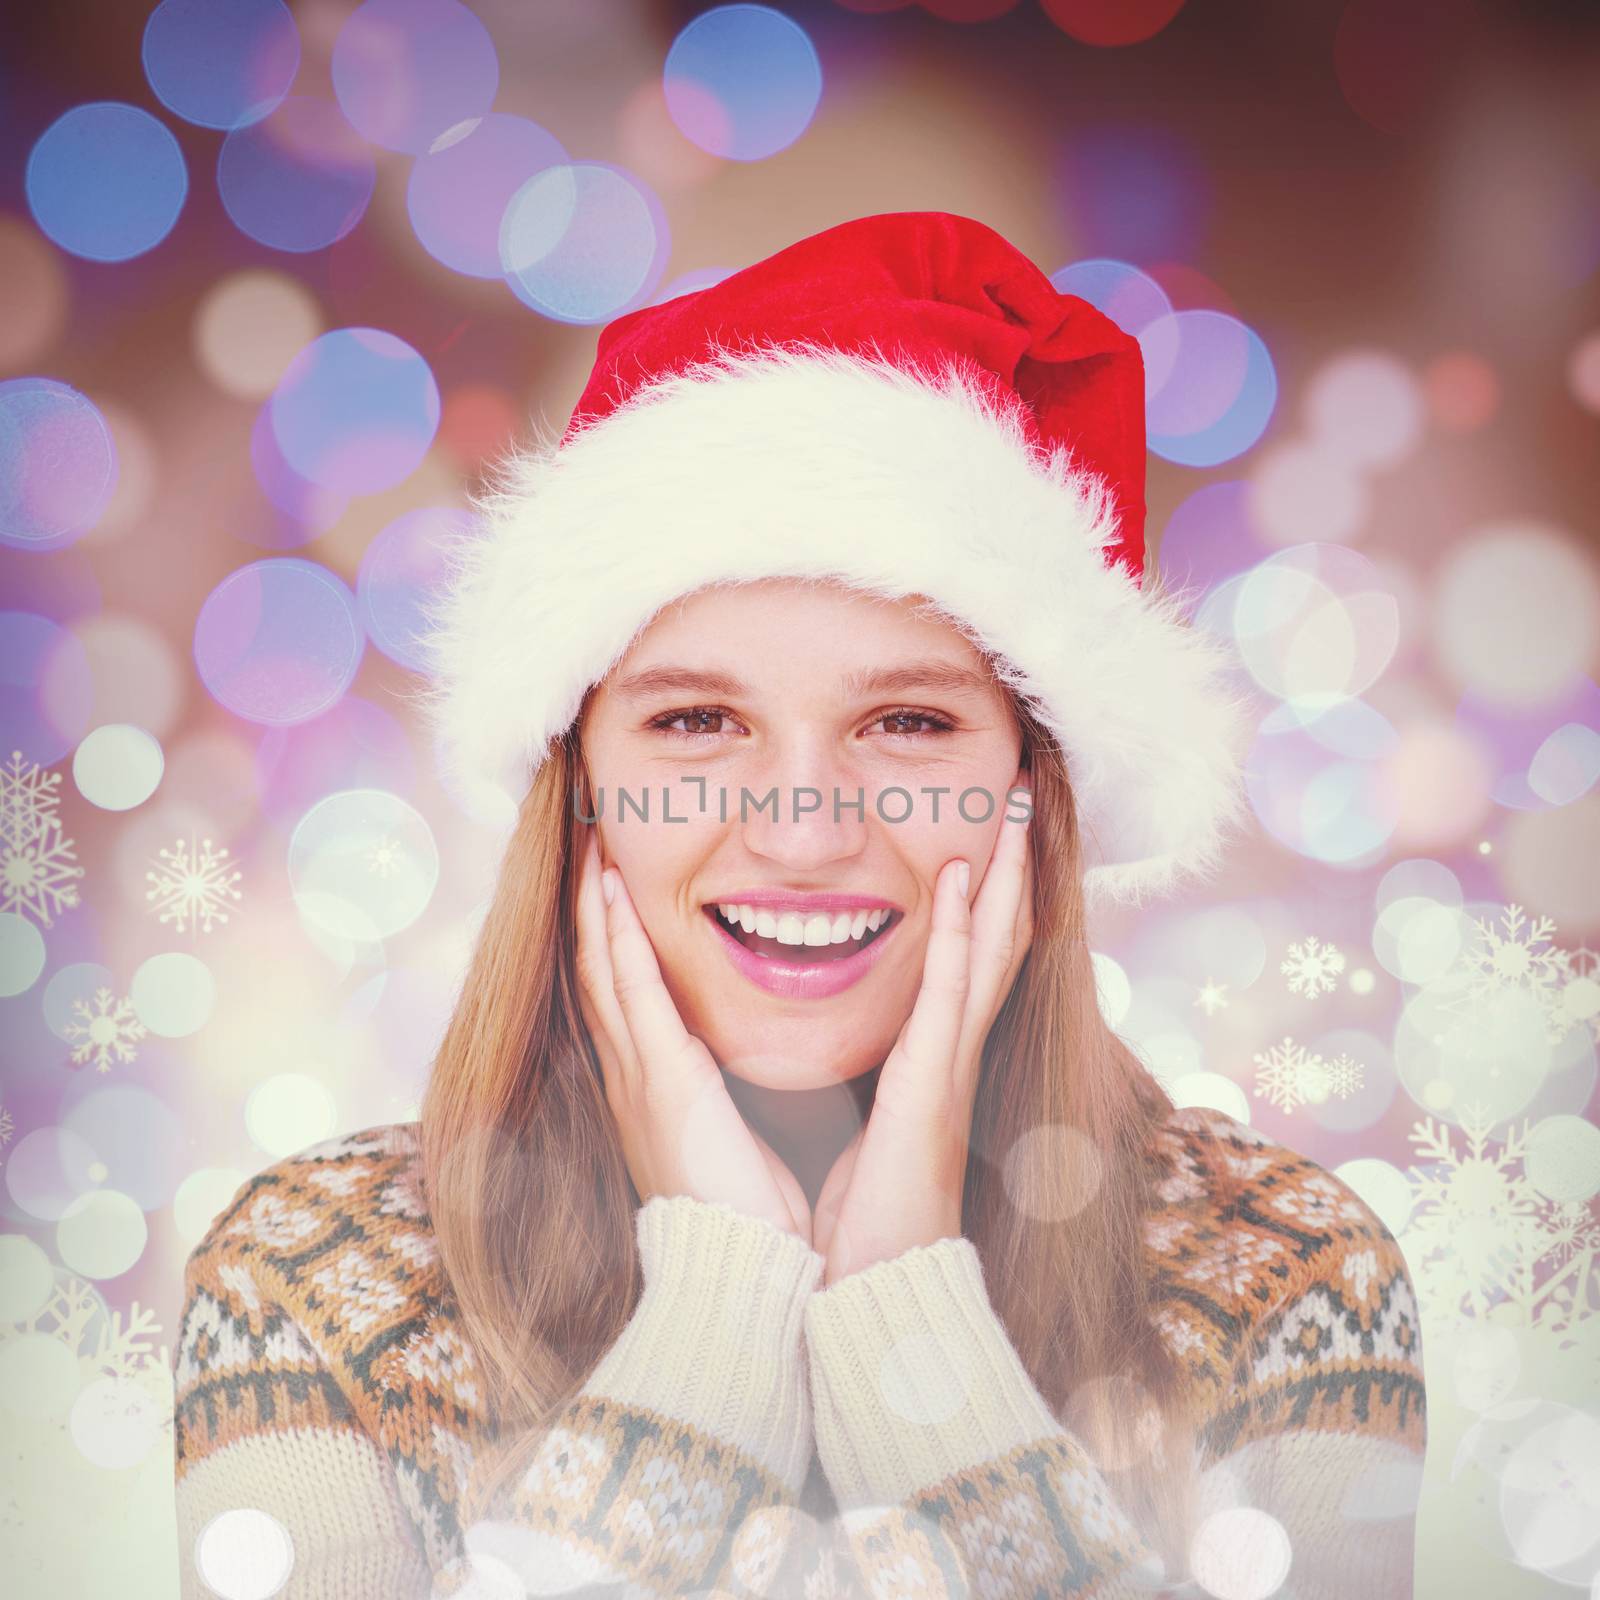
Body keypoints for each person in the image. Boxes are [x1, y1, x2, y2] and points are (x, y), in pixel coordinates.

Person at [172, 212, 1427, 1599]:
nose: (803, 829)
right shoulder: (309, 1279)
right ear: (577, 786)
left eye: (906, 723)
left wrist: (910, 1327)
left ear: (1033, 787)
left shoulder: (1290, 1277)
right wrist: (717, 1309)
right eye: (698, 721)